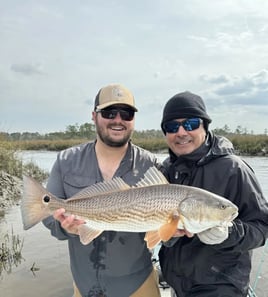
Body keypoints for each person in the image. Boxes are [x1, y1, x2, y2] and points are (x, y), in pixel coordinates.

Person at [43, 83, 162, 297]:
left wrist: (175, 231)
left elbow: (165, 229)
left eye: (126, 113)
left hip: (138, 283)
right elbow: (45, 212)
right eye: (109, 112)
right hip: (84, 283)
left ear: (133, 120)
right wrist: (65, 228)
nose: (118, 120)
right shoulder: (66, 161)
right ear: (94, 116)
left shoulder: (152, 165)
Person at [158, 91, 268, 297]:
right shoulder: (166, 171)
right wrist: (168, 236)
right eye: (172, 127)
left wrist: (229, 234)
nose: (181, 132)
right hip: (179, 285)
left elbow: (261, 227)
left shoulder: (234, 169)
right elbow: (162, 228)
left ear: (205, 126)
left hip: (220, 288)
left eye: (190, 124)